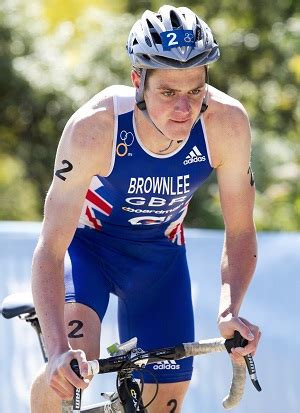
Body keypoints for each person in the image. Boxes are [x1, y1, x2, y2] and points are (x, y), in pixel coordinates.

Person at [31, 5, 261, 413]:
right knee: (70, 376)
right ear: (138, 80)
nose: (184, 109)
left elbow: (241, 231)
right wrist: (55, 352)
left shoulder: (226, 124)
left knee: (166, 401)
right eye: (168, 93)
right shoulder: (94, 127)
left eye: (195, 91)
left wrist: (230, 309)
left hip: (160, 259)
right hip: (86, 251)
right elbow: (50, 248)